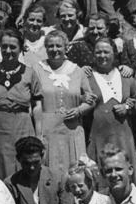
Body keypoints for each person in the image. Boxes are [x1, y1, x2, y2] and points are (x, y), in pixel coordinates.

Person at [29, 30, 94, 176]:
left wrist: (79, 110)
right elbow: (35, 105)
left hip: (72, 131)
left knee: (75, 173)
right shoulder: (37, 69)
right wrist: (38, 134)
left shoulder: (77, 71)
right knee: (50, 173)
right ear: (45, 48)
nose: (54, 50)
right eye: (50, 46)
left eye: (58, 46)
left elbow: (90, 100)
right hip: (48, 131)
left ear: (66, 48)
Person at [85, 38, 136, 188]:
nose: (102, 55)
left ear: (114, 54)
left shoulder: (125, 76)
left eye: (106, 52)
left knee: (125, 176)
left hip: (122, 136)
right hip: (98, 136)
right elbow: (78, 97)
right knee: (101, 177)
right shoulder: (87, 76)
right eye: (98, 52)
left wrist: (128, 107)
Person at [0, 28, 35, 179]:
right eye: (4, 46)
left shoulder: (30, 73)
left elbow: (37, 107)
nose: (8, 50)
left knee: (21, 170)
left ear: (20, 48)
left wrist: (39, 135)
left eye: (13, 47)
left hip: (21, 129)